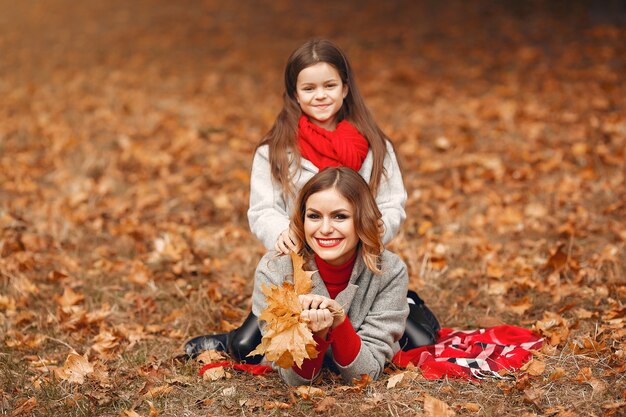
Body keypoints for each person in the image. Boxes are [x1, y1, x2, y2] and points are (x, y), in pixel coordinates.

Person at [185, 39, 438, 361]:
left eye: (329, 85)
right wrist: (283, 232)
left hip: (360, 265)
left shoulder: (375, 145)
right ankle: (233, 337)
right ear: (294, 94)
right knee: (249, 350)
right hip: (300, 270)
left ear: (345, 88)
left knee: (418, 344)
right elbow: (262, 209)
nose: (320, 95)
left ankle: (404, 301)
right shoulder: (274, 151)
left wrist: (370, 234)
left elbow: (392, 203)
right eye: (309, 88)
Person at [253, 167, 433, 384]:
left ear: (362, 219)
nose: (325, 229)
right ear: (302, 219)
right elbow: (293, 380)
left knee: (422, 338)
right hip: (276, 321)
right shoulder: (275, 269)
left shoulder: (390, 270)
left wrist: (338, 321)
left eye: (340, 216)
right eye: (314, 216)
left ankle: (411, 305)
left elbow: (366, 374)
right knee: (244, 344)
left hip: (382, 313)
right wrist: (316, 337)